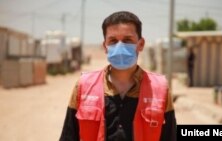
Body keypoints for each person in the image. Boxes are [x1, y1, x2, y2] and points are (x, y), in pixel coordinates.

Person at [59, 11, 177, 141]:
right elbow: (68, 136)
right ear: (105, 46)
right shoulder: (83, 86)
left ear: (141, 44)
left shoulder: (160, 89)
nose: (120, 46)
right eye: (113, 41)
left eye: (127, 40)